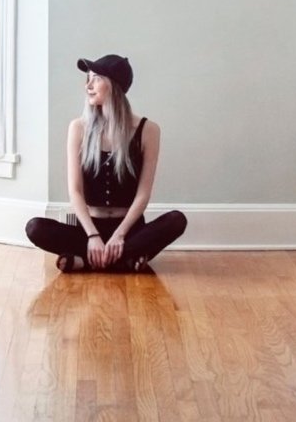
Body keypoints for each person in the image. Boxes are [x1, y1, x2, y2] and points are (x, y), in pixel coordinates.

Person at [24, 54, 189, 272]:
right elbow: (75, 191)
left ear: (114, 85)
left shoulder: (148, 130)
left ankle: (87, 261)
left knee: (177, 220)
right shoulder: (79, 128)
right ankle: (125, 260)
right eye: (88, 79)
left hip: (129, 230)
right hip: (89, 228)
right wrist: (93, 236)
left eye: (96, 78)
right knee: (35, 227)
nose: (88, 86)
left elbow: (143, 194)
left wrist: (120, 235)